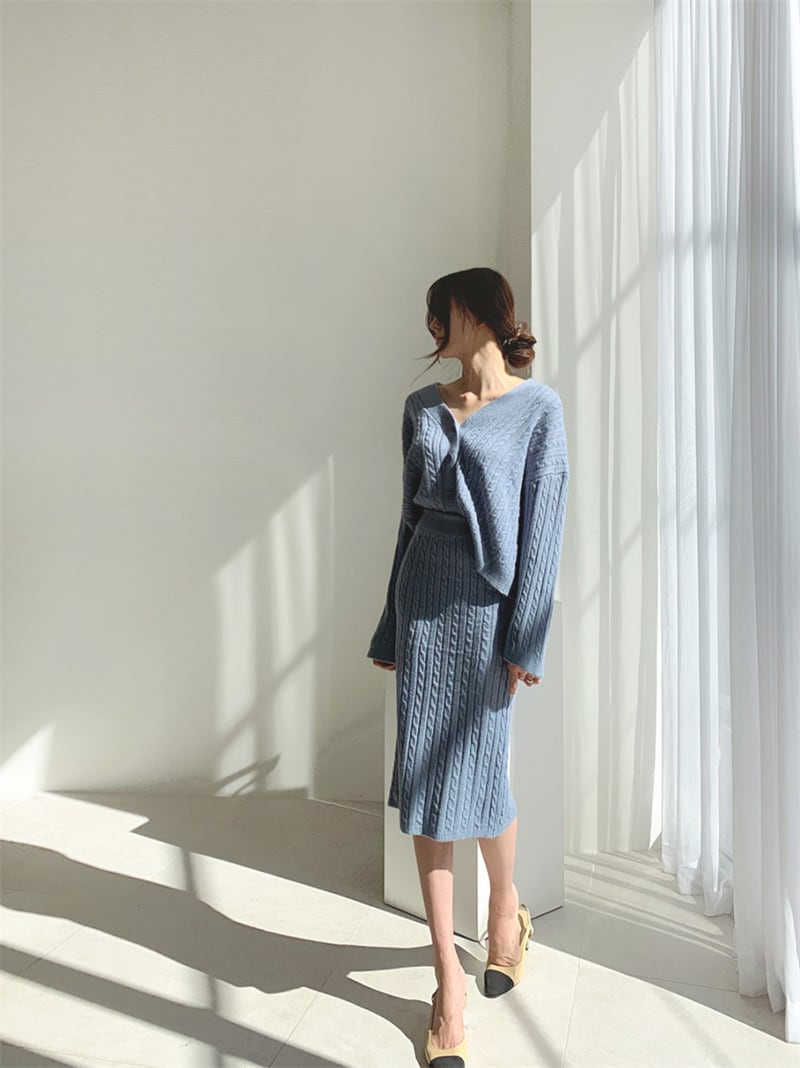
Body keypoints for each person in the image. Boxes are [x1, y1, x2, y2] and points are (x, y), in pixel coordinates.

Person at [366, 267, 569, 1068]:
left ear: (480, 314)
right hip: (423, 601)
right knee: (426, 788)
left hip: (489, 614)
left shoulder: (539, 411)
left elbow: (544, 530)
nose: (431, 328)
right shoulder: (420, 407)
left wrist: (527, 637)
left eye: (439, 313)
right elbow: (407, 522)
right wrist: (390, 624)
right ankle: (446, 982)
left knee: (483, 779)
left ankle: (506, 909)